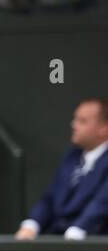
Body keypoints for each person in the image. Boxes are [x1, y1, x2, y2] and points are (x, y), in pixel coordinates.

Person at [16, 99, 108, 239]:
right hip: (58, 242)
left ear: (104, 128)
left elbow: (101, 205)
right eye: (74, 119)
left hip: (93, 249)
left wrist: (77, 232)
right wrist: (31, 225)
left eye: (82, 121)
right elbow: (50, 197)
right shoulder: (71, 157)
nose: (73, 125)